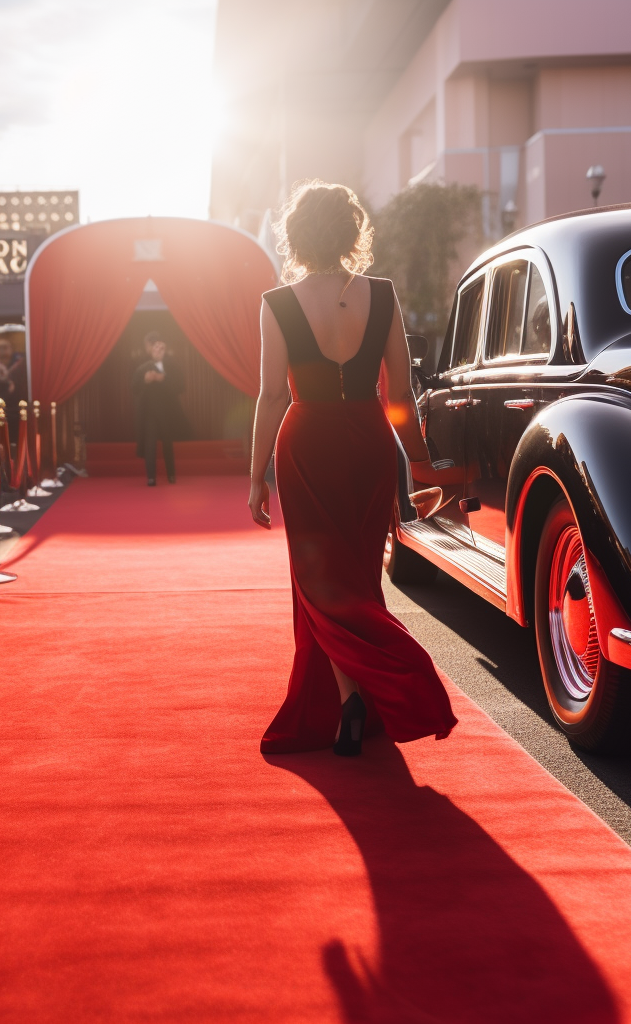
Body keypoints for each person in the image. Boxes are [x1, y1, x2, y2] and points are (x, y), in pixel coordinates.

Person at [248, 180, 456, 757]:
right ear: (351, 231)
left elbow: (271, 397)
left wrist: (254, 474)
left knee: (319, 581)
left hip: (306, 442)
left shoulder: (277, 303)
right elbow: (399, 397)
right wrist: (418, 459)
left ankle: (352, 702)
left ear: (295, 235)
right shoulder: (383, 296)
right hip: (368, 442)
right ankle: (357, 703)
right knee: (359, 577)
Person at [132, 332, 190, 486]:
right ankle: (151, 478)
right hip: (149, 413)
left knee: (168, 443)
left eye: (160, 347)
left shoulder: (172, 365)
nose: (157, 350)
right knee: (150, 445)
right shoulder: (142, 367)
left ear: (163, 348)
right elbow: (134, 389)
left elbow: (180, 386)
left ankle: (171, 475)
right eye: (154, 347)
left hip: (167, 412)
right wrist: (146, 380)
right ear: (149, 349)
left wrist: (163, 378)